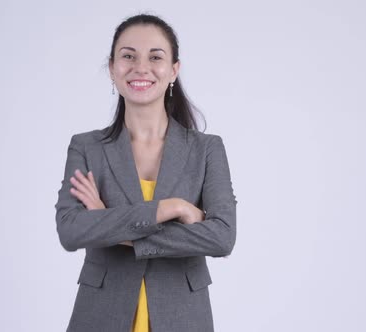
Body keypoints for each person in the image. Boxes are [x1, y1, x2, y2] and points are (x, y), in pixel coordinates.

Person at [55, 14, 237, 332]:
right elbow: (71, 231)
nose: (141, 67)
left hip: (183, 315)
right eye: (128, 56)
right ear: (112, 68)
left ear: (173, 71)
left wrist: (109, 223)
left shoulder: (206, 149)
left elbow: (222, 237)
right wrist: (172, 208)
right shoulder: (86, 147)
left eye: (155, 57)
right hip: (101, 315)